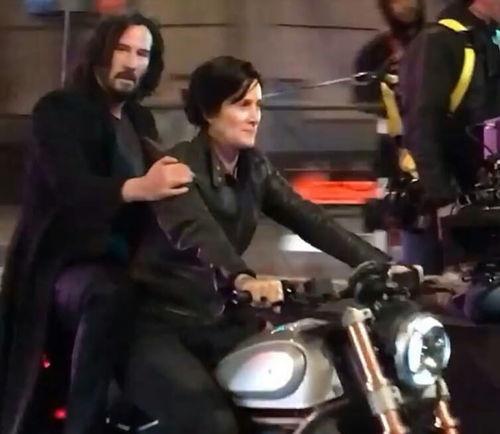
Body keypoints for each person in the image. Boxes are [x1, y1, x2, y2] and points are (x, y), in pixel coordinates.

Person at [123, 55, 392, 434]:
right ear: (209, 112)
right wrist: (243, 278)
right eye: (242, 105)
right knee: (214, 424)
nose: (255, 116)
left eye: (258, 105)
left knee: (303, 392)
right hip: (161, 327)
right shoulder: (178, 167)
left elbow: (311, 219)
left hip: (220, 321)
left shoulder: (254, 168)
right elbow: (197, 232)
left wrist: (382, 266)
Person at [0, 13, 193, 434]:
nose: (131, 62)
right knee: (109, 294)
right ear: (101, 52)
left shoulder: (140, 121)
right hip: (63, 265)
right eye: (122, 49)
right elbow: (72, 189)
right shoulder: (59, 110)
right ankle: (82, 423)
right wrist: (140, 187)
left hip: (128, 261)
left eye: (142, 53)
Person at [400, 0, 500, 309]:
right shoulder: (441, 41)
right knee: (436, 310)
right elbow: (421, 127)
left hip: (484, 213)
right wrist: (445, 201)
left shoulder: (489, 40)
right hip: (443, 216)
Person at [353, 0, 425, 179]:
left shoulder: (435, 41)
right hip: (391, 140)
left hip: (432, 135)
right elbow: (362, 96)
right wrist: (383, 80)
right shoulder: (375, 49)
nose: (407, 5)